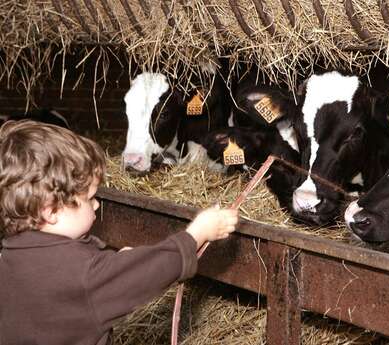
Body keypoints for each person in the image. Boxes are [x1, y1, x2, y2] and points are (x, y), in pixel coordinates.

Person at [0, 120, 238, 345]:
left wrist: (115, 265)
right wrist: (197, 233)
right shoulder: (85, 275)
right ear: (51, 211)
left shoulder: (10, 255)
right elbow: (149, 271)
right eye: (89, 198)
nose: (96, 205)